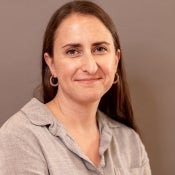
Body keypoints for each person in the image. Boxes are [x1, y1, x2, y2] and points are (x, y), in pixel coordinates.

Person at [0, 1, 151, 174]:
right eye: (73, 51)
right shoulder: (20, 137)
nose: (90, 66)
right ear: (52, 64)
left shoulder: (129, 140)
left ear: (115, 60)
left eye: (100, 49)